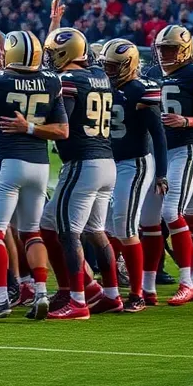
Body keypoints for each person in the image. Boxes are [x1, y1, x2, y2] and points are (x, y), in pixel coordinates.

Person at [0, 31, 68, 322]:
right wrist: (30, 128)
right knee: (31, 231)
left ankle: (1, 299)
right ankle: (40, 292)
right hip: (39, 166)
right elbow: (62, 131)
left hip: (8, 162)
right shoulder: (52, 81)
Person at [37, 26, 118, 319]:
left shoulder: (69, 80)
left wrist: (31, 126)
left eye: (52, 53)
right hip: (105, 161)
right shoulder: (99, 76)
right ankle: (109, 294)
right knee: (93, 230)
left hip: (82, 163)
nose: (49, 59)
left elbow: (62, 125)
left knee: (66, 232)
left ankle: (78, 300)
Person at [148, 24, 193, 306]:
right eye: (162, 48)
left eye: (171, 49)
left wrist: (189, 121)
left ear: (186, 49)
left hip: (189, 147)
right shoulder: (152, 74)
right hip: (165, 152)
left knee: (170, 211)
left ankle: (188, 281)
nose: (166, 54)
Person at [101, 38, 165, 307]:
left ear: (129, 65)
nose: (108, 72)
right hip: (109, 163)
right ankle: (111, 290)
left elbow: (158, 134)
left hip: (134, 163)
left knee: (126, 227)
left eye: (114, 67)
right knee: (105, 227)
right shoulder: (103, 87)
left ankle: (138, 293)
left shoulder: (141, 90)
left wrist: (161, 173)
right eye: (105, 66)